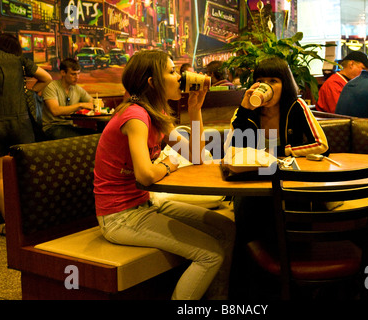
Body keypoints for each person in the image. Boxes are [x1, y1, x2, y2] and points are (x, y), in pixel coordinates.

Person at [93, 50, 235, 300]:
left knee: (226, 227)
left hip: (145, 206)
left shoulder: (155, 114)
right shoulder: (135, 116)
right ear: (152, 82)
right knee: (210, 254)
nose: (179, 77)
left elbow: (196, 156)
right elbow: (146, 175)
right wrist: (169, 164)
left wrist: (195, 110)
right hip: (119, 217)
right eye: (171, 72)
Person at [224, 57, 329, 298]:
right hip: (253, 186)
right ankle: (250, 293)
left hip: (291, 185)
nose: (266, 86)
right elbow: (231, 151)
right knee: (248, 228)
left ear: (286, 84)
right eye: (261, 81)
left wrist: (284, 152)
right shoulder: (246, 112)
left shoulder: (296, 106)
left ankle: (297, 288)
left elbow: (322, 144)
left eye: (273, 81)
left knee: (292, 225)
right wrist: (244, 110)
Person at [0, 33, 52, 222]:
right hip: (21, 124)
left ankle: (10, 224)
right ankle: (33, 219)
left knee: (0, 177)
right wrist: (28, 91)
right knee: (27, 172)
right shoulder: (19, 60)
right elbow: (46, 77)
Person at [42, 58, 96, 140]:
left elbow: (93, 102)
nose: (77, 77)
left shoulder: (76, 88)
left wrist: (96, 103)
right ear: (63, 73)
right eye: (73, 74)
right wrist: (80, 105)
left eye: (78, 74)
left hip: (68, 126)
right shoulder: (51, 87)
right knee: (82, 138)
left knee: (96, 135)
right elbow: (55, 111)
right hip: (52, 127)